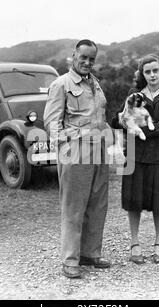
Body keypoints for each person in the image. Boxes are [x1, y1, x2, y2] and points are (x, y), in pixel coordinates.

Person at [43, 39, 111, 278]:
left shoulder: (96, 85)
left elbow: (100, 117)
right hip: (75, 151)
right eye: (83, 57)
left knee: (97, 203)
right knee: (74, 207)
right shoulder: (61, 84)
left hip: (99, 150)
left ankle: (91, 253)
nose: (87, 62)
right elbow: (52, 123)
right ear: (73, 56)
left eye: (92, 59)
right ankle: (70, 260)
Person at [111, 54, 159, 264]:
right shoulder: (134, 94)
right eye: (147, 71)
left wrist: (134, 127)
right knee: (134, 201)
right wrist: (123, 122)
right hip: (134, 154)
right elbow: (118, 118)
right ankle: (134, 244)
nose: (152, 75)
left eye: (155, 70)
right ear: (142, 74)